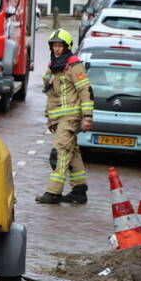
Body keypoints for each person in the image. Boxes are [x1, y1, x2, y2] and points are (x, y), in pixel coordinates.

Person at [36, 29, 94, 204]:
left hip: (71, 117)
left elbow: (85, 91)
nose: (57, 49)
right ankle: (79, 190)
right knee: (72, 152)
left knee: (59, 153)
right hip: (59, 118)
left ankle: (53, 192)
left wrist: (87, 117)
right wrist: (50, 117)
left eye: (60, 46)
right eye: (54, 46)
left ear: (67, 47)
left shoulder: (74, 66)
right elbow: (50, 94)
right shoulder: (53, 66)